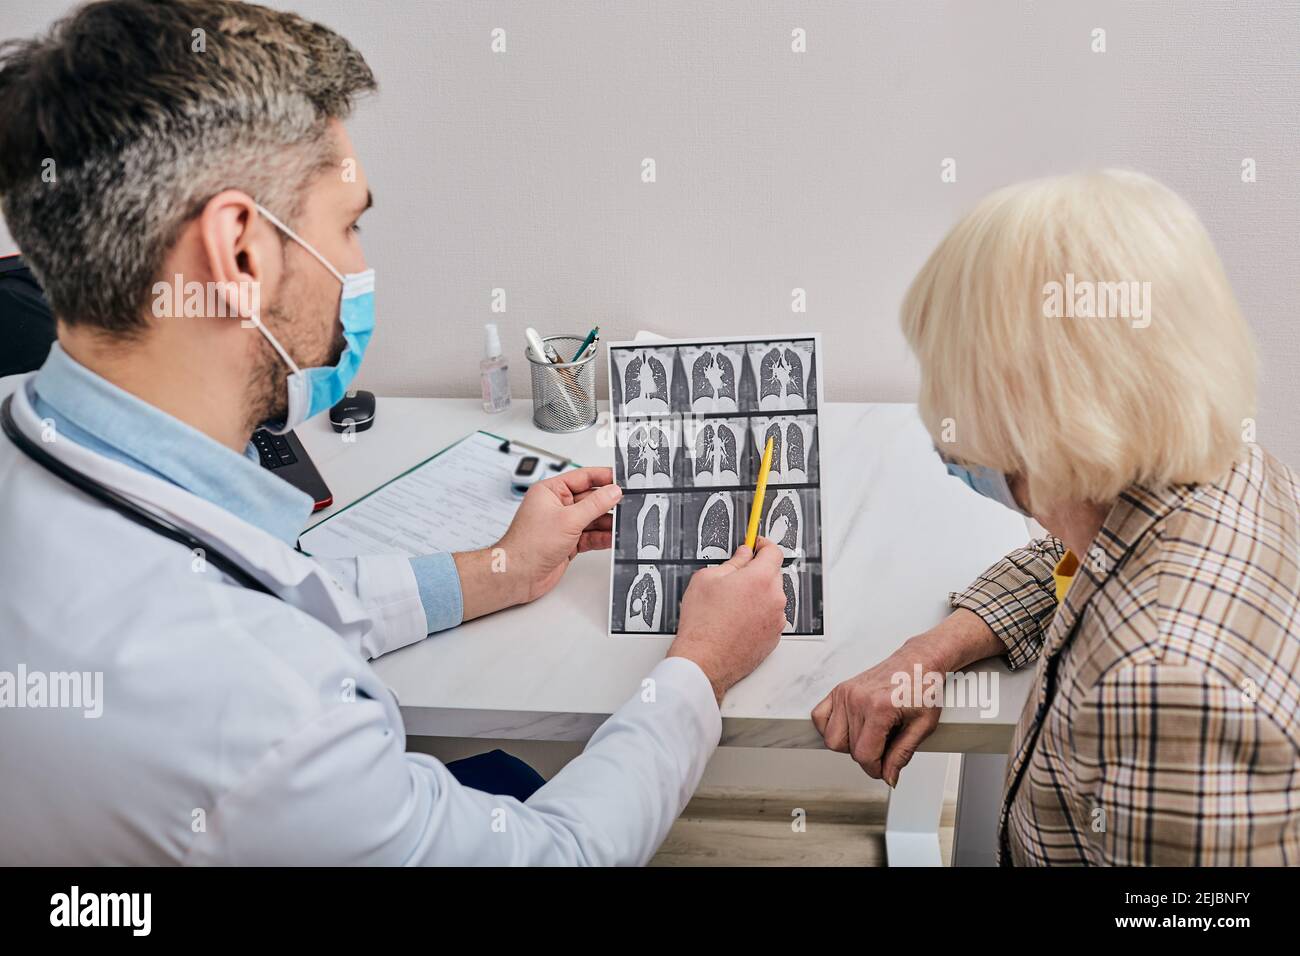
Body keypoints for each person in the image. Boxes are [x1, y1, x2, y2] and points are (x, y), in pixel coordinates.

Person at [0, 0, 788, 865]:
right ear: (242, 252)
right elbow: (563, 858)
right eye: (349, 224)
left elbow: (272, 589)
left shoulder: (34, 436)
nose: (360, 269)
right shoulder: (265, 718)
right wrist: (701, 668)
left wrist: (499, 569)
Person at [814, 170, 1300, 865]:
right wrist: (927, 656)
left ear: (1034, 411)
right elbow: (1071, 559)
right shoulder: (1217, 465)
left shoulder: (1166, 689)